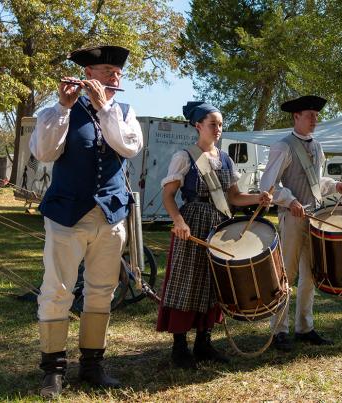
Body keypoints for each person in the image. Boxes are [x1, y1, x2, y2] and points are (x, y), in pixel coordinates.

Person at [29, 45, 143, 398]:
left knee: (102, 290)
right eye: (108, 70)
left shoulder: (123, 111)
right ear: (88, 74)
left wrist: (106, 107)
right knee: (58, 290)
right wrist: (64, 107)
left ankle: (93, 365)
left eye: (118, 72)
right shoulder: (57, 111)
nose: (115, 77)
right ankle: (53, 370)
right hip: (68, 215)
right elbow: (44, 152)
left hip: (110, 216)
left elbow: (128, 147)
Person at [156, 101, 272, 369]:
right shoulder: (184, 156)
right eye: (213, 124)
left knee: (213, 284)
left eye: (220, 124)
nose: (218, 129)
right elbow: (168, 195)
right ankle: (179, 347)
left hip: (219, 225)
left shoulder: (226, 158)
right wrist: (178, 221)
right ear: (198, 126)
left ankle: (204, 343)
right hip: (194, 224)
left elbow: (234, 197)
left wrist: (259, 197)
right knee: (187, 283)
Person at [259, 95, 342, 352]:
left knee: (310, 274)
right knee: (286, 274)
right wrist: (289, 201)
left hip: (315, 218)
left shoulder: (318, 146)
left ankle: (305, 327)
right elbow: (268, 185)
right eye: (309, 114)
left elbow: (317, 182)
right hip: (292, 218)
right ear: (296, 117)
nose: (315, 119)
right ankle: (279, 330)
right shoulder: (283, 146)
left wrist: (336, 186)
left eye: (316, 114)